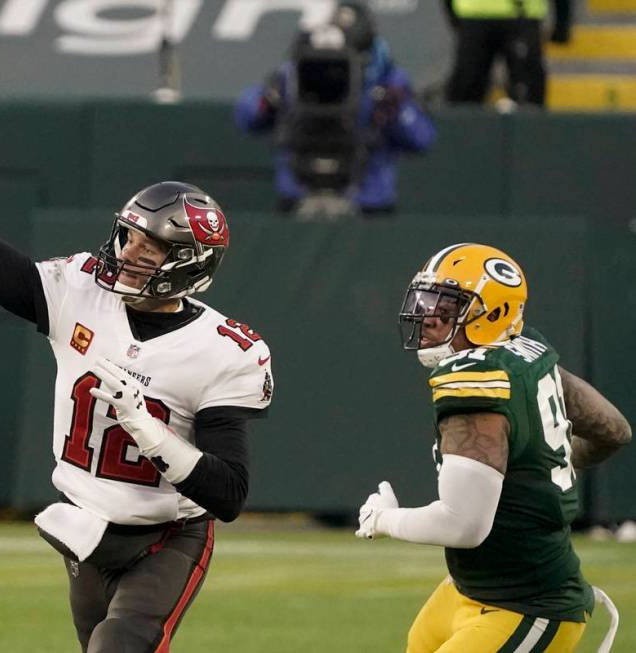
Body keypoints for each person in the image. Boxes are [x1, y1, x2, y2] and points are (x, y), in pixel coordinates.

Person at [0, 95, 273, 653]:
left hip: (166, 539)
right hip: (88, 531)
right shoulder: (79, 291)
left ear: (188, 263)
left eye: (152, 244)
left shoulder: (223, 350)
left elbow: (230, 495)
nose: (130, 250)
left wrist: (148, 430)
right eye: (130, 234)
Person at [356, 243, 630, 652]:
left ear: (493, 314)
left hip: (527, 604)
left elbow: (463, 526)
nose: (426, 316)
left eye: (446, 307)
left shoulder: (476, 383)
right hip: (472, 588)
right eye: (425, 300)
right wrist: (543, 467)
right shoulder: (526, 356)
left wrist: (385, 520)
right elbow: (612, 429)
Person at [234, 1, 435, 217]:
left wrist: (396, 112)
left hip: (368, 201)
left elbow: (422, 138)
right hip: (298, 195)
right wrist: (269, 99)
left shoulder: (388, 79)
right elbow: (246, 116)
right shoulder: (296, 72)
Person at [444, 0, 572, 107]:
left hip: (486, 15)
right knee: (466, 93)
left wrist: (453, 15)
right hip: (517, 16)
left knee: (467, 91)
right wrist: (562, 22)